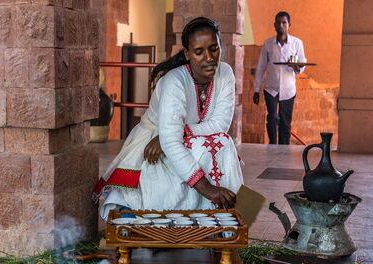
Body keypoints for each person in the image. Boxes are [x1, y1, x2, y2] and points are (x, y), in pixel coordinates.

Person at [93, 17, 243, 220]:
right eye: (199, 52)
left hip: (181, 136)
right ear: (188, 54)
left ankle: (222, 218)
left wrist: (181, 133)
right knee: (147, 196)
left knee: (222, 142)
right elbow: (170, 141)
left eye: (214, 49)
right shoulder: (174, 81)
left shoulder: (225, 73)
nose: (209, 57)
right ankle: (171, 220)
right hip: (154, 139)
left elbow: (220, 124)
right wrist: (208, 189)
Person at [253, 11, 306, 145]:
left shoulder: (297, 43)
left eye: (284, 22)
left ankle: (284, 150)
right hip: (271, 88)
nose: (281, 25)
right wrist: (256, 89)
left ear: (289, 25)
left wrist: (296, 67)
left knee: (285, 123)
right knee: (272, 119)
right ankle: (272, 146)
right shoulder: (268, 44)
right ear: (274, 25)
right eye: (279, 22)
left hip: (288, 90)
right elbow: (261, 67)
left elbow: (302, 64)